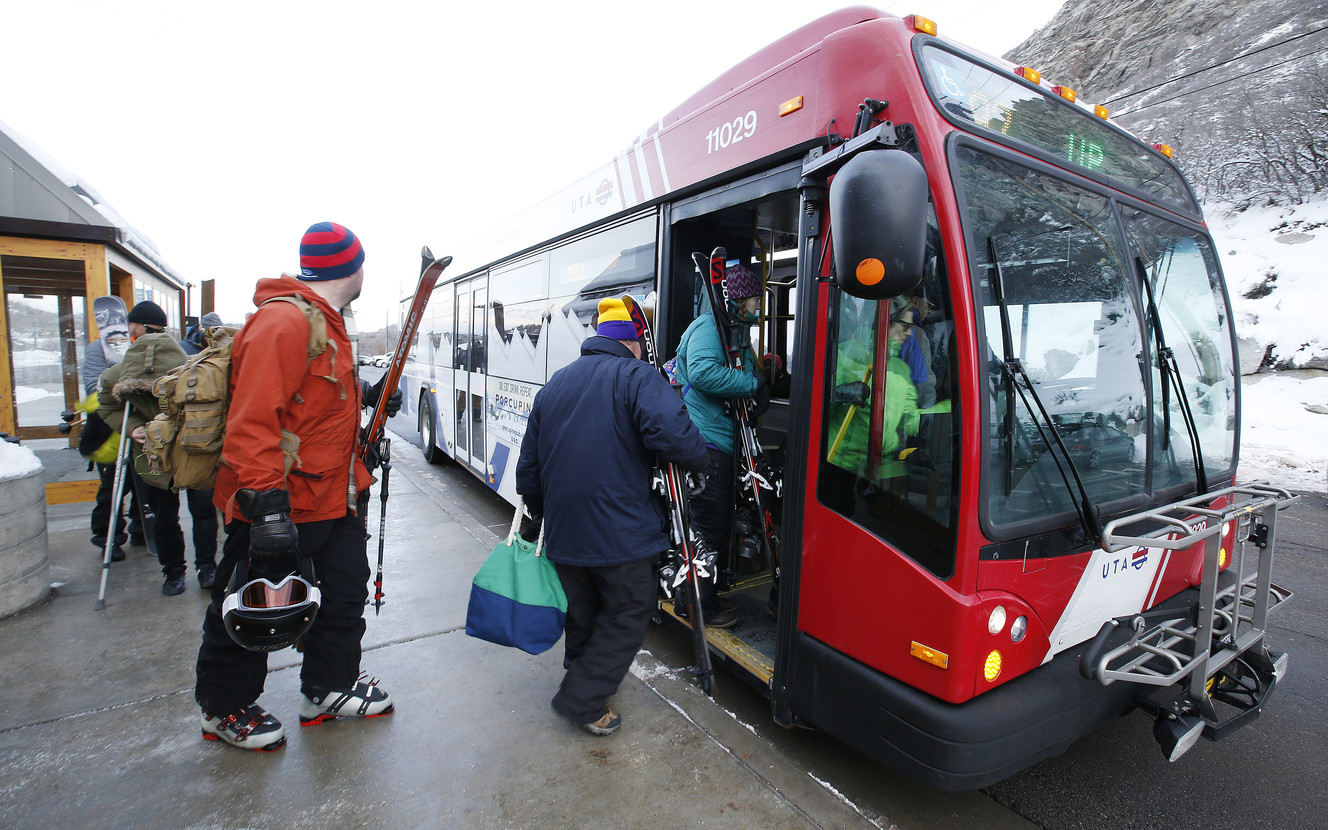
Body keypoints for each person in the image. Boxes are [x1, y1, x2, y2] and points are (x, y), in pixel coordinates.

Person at [193, 222, 401, 752]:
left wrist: (368, 409)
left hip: (334, 498)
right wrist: (265, 510)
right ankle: (224, 708)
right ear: (352, 268)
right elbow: (252, 422)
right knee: (254, 602)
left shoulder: (328, 322)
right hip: (282, 502)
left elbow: (315, 411)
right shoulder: (284, 322)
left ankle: (327, 688)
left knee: (345, 594)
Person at [516, 297, 708, 736]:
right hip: (619, 529)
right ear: (634, 342)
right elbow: (677, 438)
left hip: (566, 528)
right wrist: (704, 462)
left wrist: (542, 511)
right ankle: (582, 698)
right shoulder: (638, 376)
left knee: (582, 610)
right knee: (629, 608)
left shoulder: (557, 383)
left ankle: (584, 681)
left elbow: (529, 467)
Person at [672, 263, 770, 628]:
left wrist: (757, 383)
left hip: (723, 442)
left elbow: (737, 372)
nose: (760, 303)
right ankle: (695, 604)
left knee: (718, 524)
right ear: (740, 298)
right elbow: (702, 373)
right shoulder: (709, 327)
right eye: (756, 296)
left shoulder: (732, 329)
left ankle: (708, 595)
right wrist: (751, 385)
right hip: (706, 443)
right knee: (709, 527)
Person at [97, 300, 207, 595]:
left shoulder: (193, 370)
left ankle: (199, 569)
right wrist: (132, 427)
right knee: (168, 515)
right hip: (154, 454)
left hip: (193, 448)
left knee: (194, 512)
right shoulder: (117, 376)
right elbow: (107, 406)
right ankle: (177, 571)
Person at [83, 300, 140, 562]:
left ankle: (140, 527)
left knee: (142, 482)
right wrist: (115, 387)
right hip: (107, 427)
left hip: (135, 422)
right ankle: (108, 536)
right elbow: (91, 386)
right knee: (113, 486)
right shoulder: (97, 349)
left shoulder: (137, 347)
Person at [176, 310, 226, 588]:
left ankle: (221, 568)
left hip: (225, 447)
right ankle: (206, 568)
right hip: (201, 447)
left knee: (231, 514)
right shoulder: (186, 356)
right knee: (205, 513)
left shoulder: (232, 357)